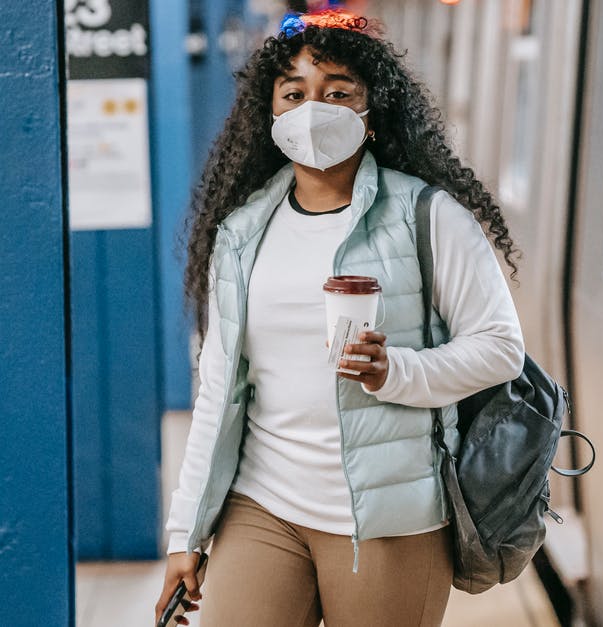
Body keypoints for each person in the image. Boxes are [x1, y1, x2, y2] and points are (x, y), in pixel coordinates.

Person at [154, 9, 524, 626]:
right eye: (294, 93)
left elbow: (499, 346)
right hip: (262, 503)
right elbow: (218, 389)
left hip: (390, 516)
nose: (313, 109)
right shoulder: (242, 232)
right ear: (270, 115)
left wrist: (394, 371)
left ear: (370, 110)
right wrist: (183, 534)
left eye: (337, 92)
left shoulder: (427, 217)